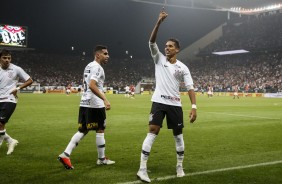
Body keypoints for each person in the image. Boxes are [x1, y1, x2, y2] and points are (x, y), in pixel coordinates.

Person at [136, 10, 197, 183]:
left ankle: (179, 166)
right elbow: (151, 41)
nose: (167, 47)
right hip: (158, 102)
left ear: (177, 49)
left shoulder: (183, 68)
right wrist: (159, 22)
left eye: (170, 46)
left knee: (178, 135)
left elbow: (190, 88)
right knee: (153, 131)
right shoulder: (158, 58)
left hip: (175, 105)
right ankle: (142, 169)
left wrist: (194, 107)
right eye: (166, 45)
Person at [58, 45, 115, 169]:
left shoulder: (89, 65)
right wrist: (105, 99)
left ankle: (65, 154)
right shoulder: (97, 67)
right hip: (95, 104)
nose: (107, 56)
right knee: (100, 129)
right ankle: (101, 159)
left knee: (83, 130)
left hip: (84, 102)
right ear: (98, 55)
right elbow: (92, 85)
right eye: (105, 54)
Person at [0, 49, 33, 155]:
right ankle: (10, 141)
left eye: (9, 58)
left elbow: (29, 80)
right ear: (0, 58)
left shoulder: (16, 69)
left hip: (10, 99)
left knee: (0, 123)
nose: (7, 60)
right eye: (4, 58)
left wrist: (17, 89)